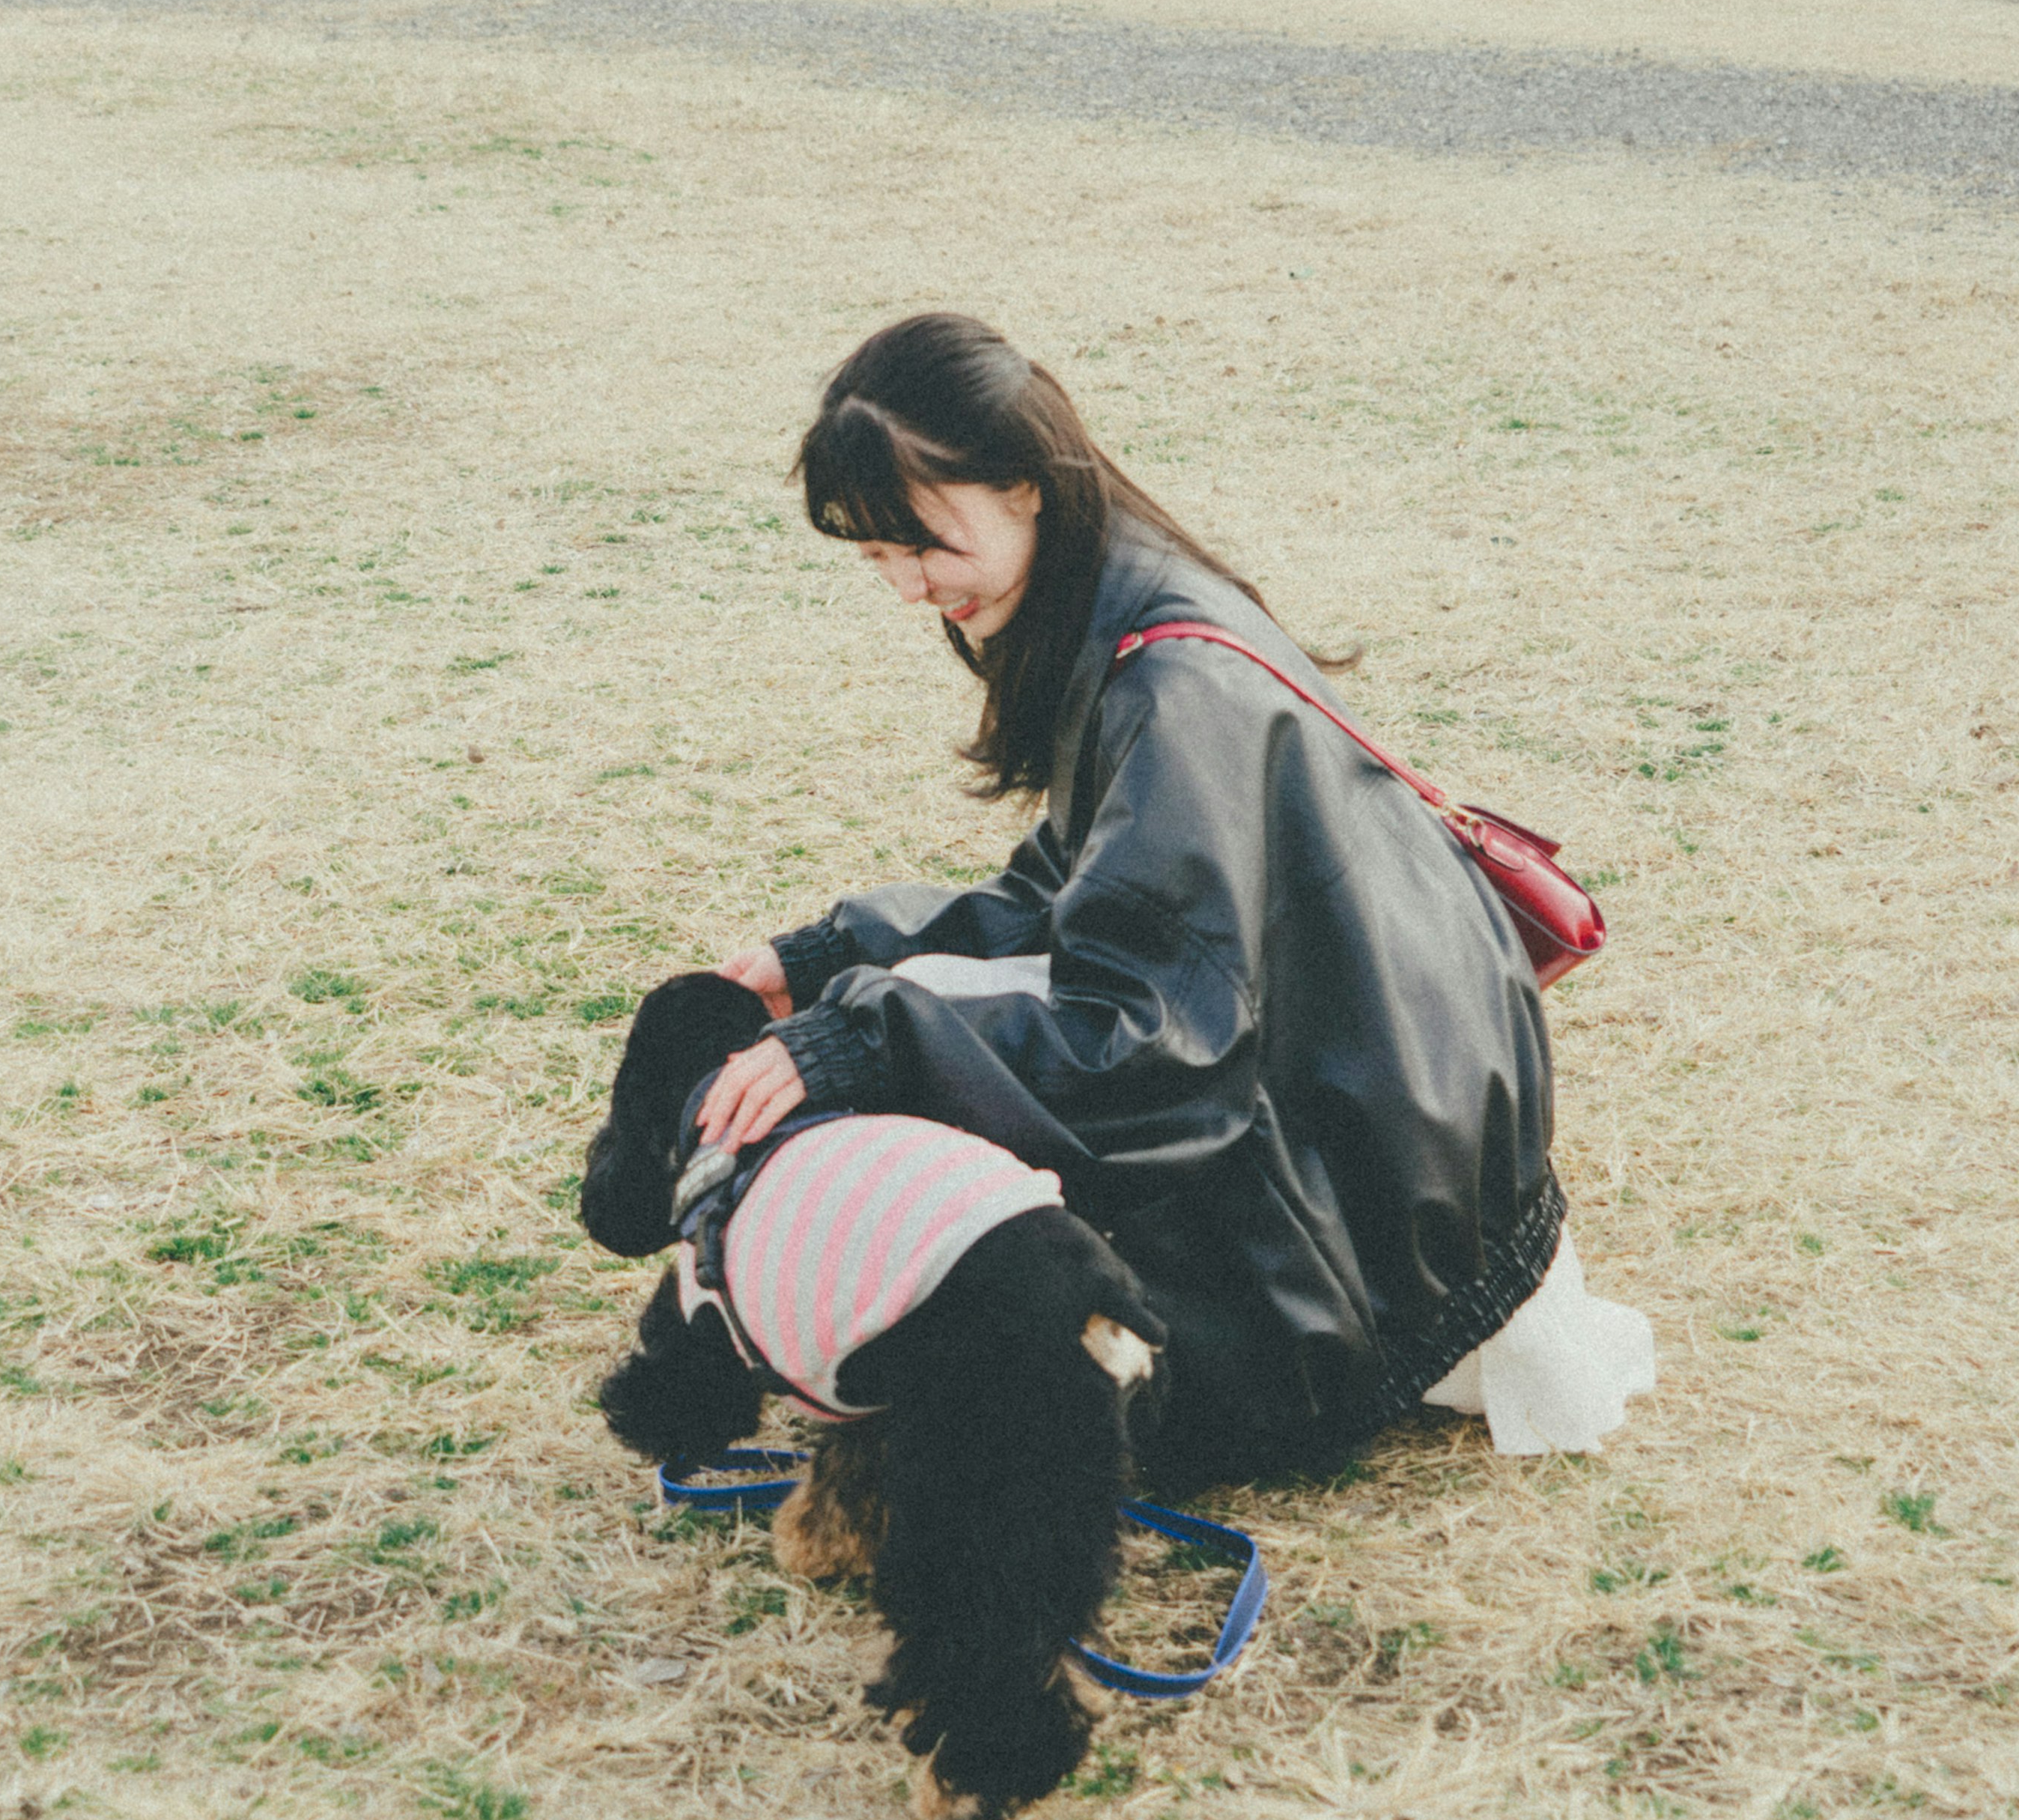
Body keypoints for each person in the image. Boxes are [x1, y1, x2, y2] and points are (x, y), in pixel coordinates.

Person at [696, 314, 1652, 1489]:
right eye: (875, 557)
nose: (906, 586)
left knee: (991, 1322)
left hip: (1372, 1218)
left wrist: (862, 1039)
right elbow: (1084, 887)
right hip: (1398, 1127)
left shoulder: (1169, 680)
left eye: (924, 543)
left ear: (1021, 483)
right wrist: (842, 949)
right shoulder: (1122, 596)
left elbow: (1148, 1042)